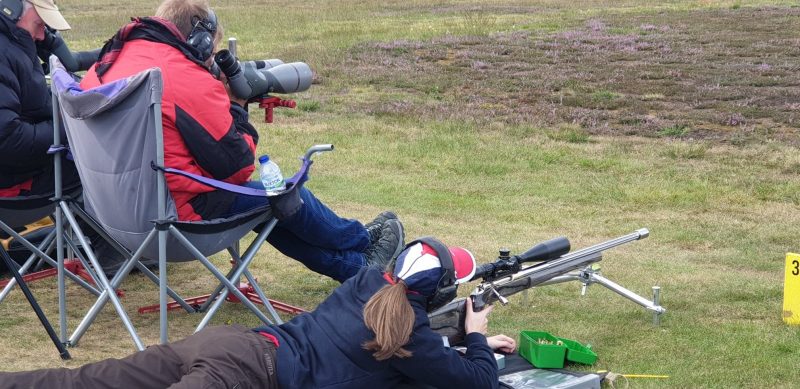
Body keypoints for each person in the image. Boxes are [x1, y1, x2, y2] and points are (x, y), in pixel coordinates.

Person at [79, 0, 403, 282]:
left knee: (265, 204)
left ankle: (357, 268)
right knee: (280, 193)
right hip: (173, 220)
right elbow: (237, 169)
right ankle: (361, 242)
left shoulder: (104, 66)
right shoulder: (185, 79)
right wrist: (235, 104)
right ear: (201, 40)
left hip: (109, 217)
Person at [0, 238, 516, 388]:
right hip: (245, 376)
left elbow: (405, 340)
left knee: (83, 382)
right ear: (437, 293)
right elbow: (474, 382)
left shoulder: (367, 284)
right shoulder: (408, 335)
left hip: (228, 344)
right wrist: (474, 334)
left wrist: (451, 342)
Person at [0, 0, 80, 198]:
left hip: (21, 169)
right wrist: (71, 126)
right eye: (39, 24)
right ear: (11, 10)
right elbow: (9, 140)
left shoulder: (15, 45)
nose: (43, 35)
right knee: (102, 169)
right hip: (14, 183)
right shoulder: (4, 55)